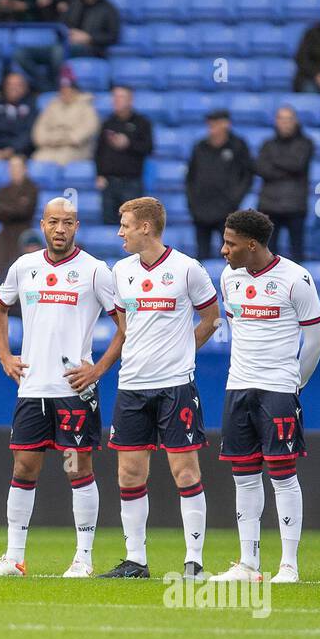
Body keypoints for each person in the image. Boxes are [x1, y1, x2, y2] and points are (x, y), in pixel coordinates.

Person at [0, 197, 123, 578]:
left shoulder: (95, 271)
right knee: (24, 467)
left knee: (77, 468)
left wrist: (99, 368)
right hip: (31, 388)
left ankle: (83, 558)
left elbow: (127, 324)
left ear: (77, 227)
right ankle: (14, 558)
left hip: (73, 389)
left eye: (69, 223)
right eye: (54, 222)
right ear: (43, 225)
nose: (61, 229)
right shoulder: (24, 267)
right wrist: (4, 355)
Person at [101, 197, 220, 579]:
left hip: (175, 386)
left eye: (125, 225)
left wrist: (184, 349)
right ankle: (136, 560)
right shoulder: (120, 271)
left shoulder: (188, 270)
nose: (120, 232)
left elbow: (212, 318)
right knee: (129, 474)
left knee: (185, 472)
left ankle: (194, 561)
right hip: (132, 385)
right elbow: (124, 324)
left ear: (146, 227)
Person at [215, 208, 320, 583]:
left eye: (230, 243)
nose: (223, 250)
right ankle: (249, 564)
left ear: (251, 244)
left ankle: (289, 565)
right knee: (243, 475)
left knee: (282, 474)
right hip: (238, 386)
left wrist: (295, 383)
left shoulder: (296, 279)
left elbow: (315, 341)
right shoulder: (229, 277)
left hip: (278, 390)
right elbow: (235, 326)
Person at [14, 0, 119, 94]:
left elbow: (113, 35)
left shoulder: (108, 9)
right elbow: (59, 26)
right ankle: (46, 85)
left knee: (58, 51)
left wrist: (88, 37)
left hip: (90, 49)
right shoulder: (73, 3)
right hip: (64, 44)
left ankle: (56, 88)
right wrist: (67, 34)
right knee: (20, 53)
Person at [185, 109, 253, 259]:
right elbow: (190, 177)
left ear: (226, 124)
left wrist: (234, 199)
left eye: (215, 124)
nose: (212, 128)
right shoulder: (200, 147)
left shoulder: (238, 146)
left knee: (230, 254)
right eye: (210, 124)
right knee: (201, 257)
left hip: (226, 211)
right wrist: (192, 202)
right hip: (201, 210)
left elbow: (247, 175)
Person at [253, 105, 313, 259]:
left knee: (297, 254)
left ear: (295, 121)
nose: (285, 123)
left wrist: (274, 161)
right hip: (269, 206)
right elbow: (260, 169)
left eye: (288, 119)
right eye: (281, 119)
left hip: (295, 206)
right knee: (267, 255)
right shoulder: (267, 144)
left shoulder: (305, 143)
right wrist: (287, 169)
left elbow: (297, 164)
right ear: (276, 121)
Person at [95, 85, 153, 226]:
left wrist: (128, 143)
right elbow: (98, 151)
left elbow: (148, 148)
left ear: (130, 100)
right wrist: (99, 174)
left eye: (121, 97)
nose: (116, 101)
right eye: (114, 97)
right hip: (109, 183)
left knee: (132, 224)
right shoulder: (108, 123)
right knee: (108, 223)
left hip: (131, 182)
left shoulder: (141, 123)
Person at [31, 66, 100, 166]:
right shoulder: (52, 106)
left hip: (76, 149)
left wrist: (67, 139)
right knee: (36, 160)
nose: (66, 92)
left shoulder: (86, 105)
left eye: (69, 89)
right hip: (50, 146)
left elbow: (89, 128)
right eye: (63, 89)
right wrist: (49, 139)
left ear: (75, 90)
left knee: (60, 160)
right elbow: (39, 130)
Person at [0, 154, 38, 280]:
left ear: (25, 169)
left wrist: (5, 209)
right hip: (5, 237)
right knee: (1, 274)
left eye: (17, 166)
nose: (14, 170)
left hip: (23, 235)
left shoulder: (32, 188)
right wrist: (14, 207)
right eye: (11, 167)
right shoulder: (2, 190)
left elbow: (24, 211)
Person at [0, 71, 36, 160]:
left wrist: (12, 150)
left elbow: (29, 133)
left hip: (21, 152)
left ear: (25, 87)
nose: (13, 88)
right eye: (9, 84)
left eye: (17, 85)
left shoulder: (31, 106)